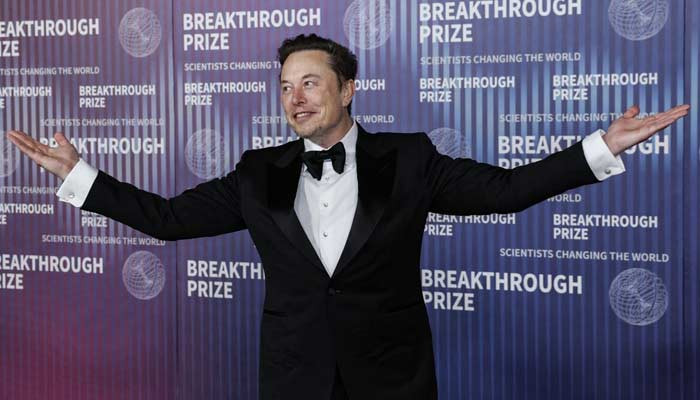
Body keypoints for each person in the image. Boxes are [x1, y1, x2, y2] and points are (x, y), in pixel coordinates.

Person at [6, 34, 690, 400]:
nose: (295, 98)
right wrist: (80, 175)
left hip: (391, 377)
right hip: (294, 376)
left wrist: (601, 146)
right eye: (285, 87)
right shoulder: (257, 171)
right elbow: (167, 218)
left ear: (349, 88)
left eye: (310, 82)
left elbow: (507, 191)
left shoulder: (411, 159)